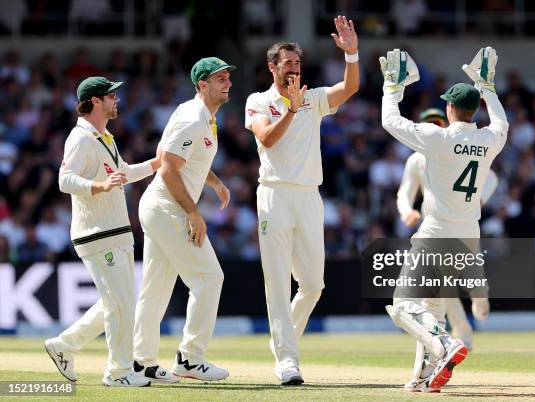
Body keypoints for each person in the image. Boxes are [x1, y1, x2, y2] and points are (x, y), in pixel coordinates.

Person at [381, 47, 508, 392]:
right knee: (433, 308)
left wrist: (392, 89)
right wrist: (488, 88)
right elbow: (502, 122)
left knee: (404, 304)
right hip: (468, 234)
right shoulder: (489, 139)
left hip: (437, 231)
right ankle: (426, 375)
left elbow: (390, 122)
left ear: (450, 109)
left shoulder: (438, 138)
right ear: (474, 109)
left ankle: (447, 344)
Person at [244, 15, 359, 385]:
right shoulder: (258, 101)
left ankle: (283, 341)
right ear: (272, 67)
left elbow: (349, 87)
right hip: (274, 194)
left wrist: (352, 54)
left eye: (297, 62)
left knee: (312, 284)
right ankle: (287, 360)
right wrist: (290, 109)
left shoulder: (313, 98)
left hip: (309, 195)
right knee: (277, 283)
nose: (294, 68)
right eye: (287, 63)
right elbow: (266, 140)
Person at [45, 76, 161, 387]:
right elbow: (64, 180)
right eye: (111, 95)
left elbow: (122, 174)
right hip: (97, 233)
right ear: (95, 101)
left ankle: (63, 345)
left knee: (118, 302)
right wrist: (97, 186)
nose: (116, 100)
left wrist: (156, 163)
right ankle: (118, 372)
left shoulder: (104, 137)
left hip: (115, 231)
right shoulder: (81, 138)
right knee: (120, 304)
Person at [132, 57, 233, 384]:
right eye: (220, 79)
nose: (228, 83)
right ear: (202, 85)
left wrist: (214, 181)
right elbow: (168, 168)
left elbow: (180, 159)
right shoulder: (193, 118)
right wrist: (192, 212)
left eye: (228, 77)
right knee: (210, 278)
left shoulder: (201, 116)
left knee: (156, 289)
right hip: (167, 206)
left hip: (159, 205)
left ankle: (141, 363)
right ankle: (190, 358)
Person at [396, 107, 496, 392]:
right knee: (435, 302)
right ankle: (423, 376)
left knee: (425, 301)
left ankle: (454, 335)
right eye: (428, 124)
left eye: (437, 122)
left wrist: (478, 200)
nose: (433, 127)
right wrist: (406, 211)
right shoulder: (417, 159)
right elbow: (405, 191)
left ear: (447, 121)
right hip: (447, 227)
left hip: (448, 228)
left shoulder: (457, 147)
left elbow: (491, 179)